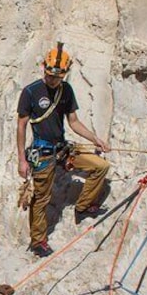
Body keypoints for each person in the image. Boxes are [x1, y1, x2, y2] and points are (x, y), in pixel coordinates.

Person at [16, 42, 111, 258]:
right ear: (44, 69)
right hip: (42, 152)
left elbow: (74, 121)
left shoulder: (66, 90)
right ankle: (38, 240)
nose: (52, 80)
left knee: (100, 166)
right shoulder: (31, 92)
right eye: (50, 75)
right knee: (41, 197)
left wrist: (95, 139)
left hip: (62, 148)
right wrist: (22, 160)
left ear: (64, 75)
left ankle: (83, 207)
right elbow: (21, 126)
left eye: (57, 77)